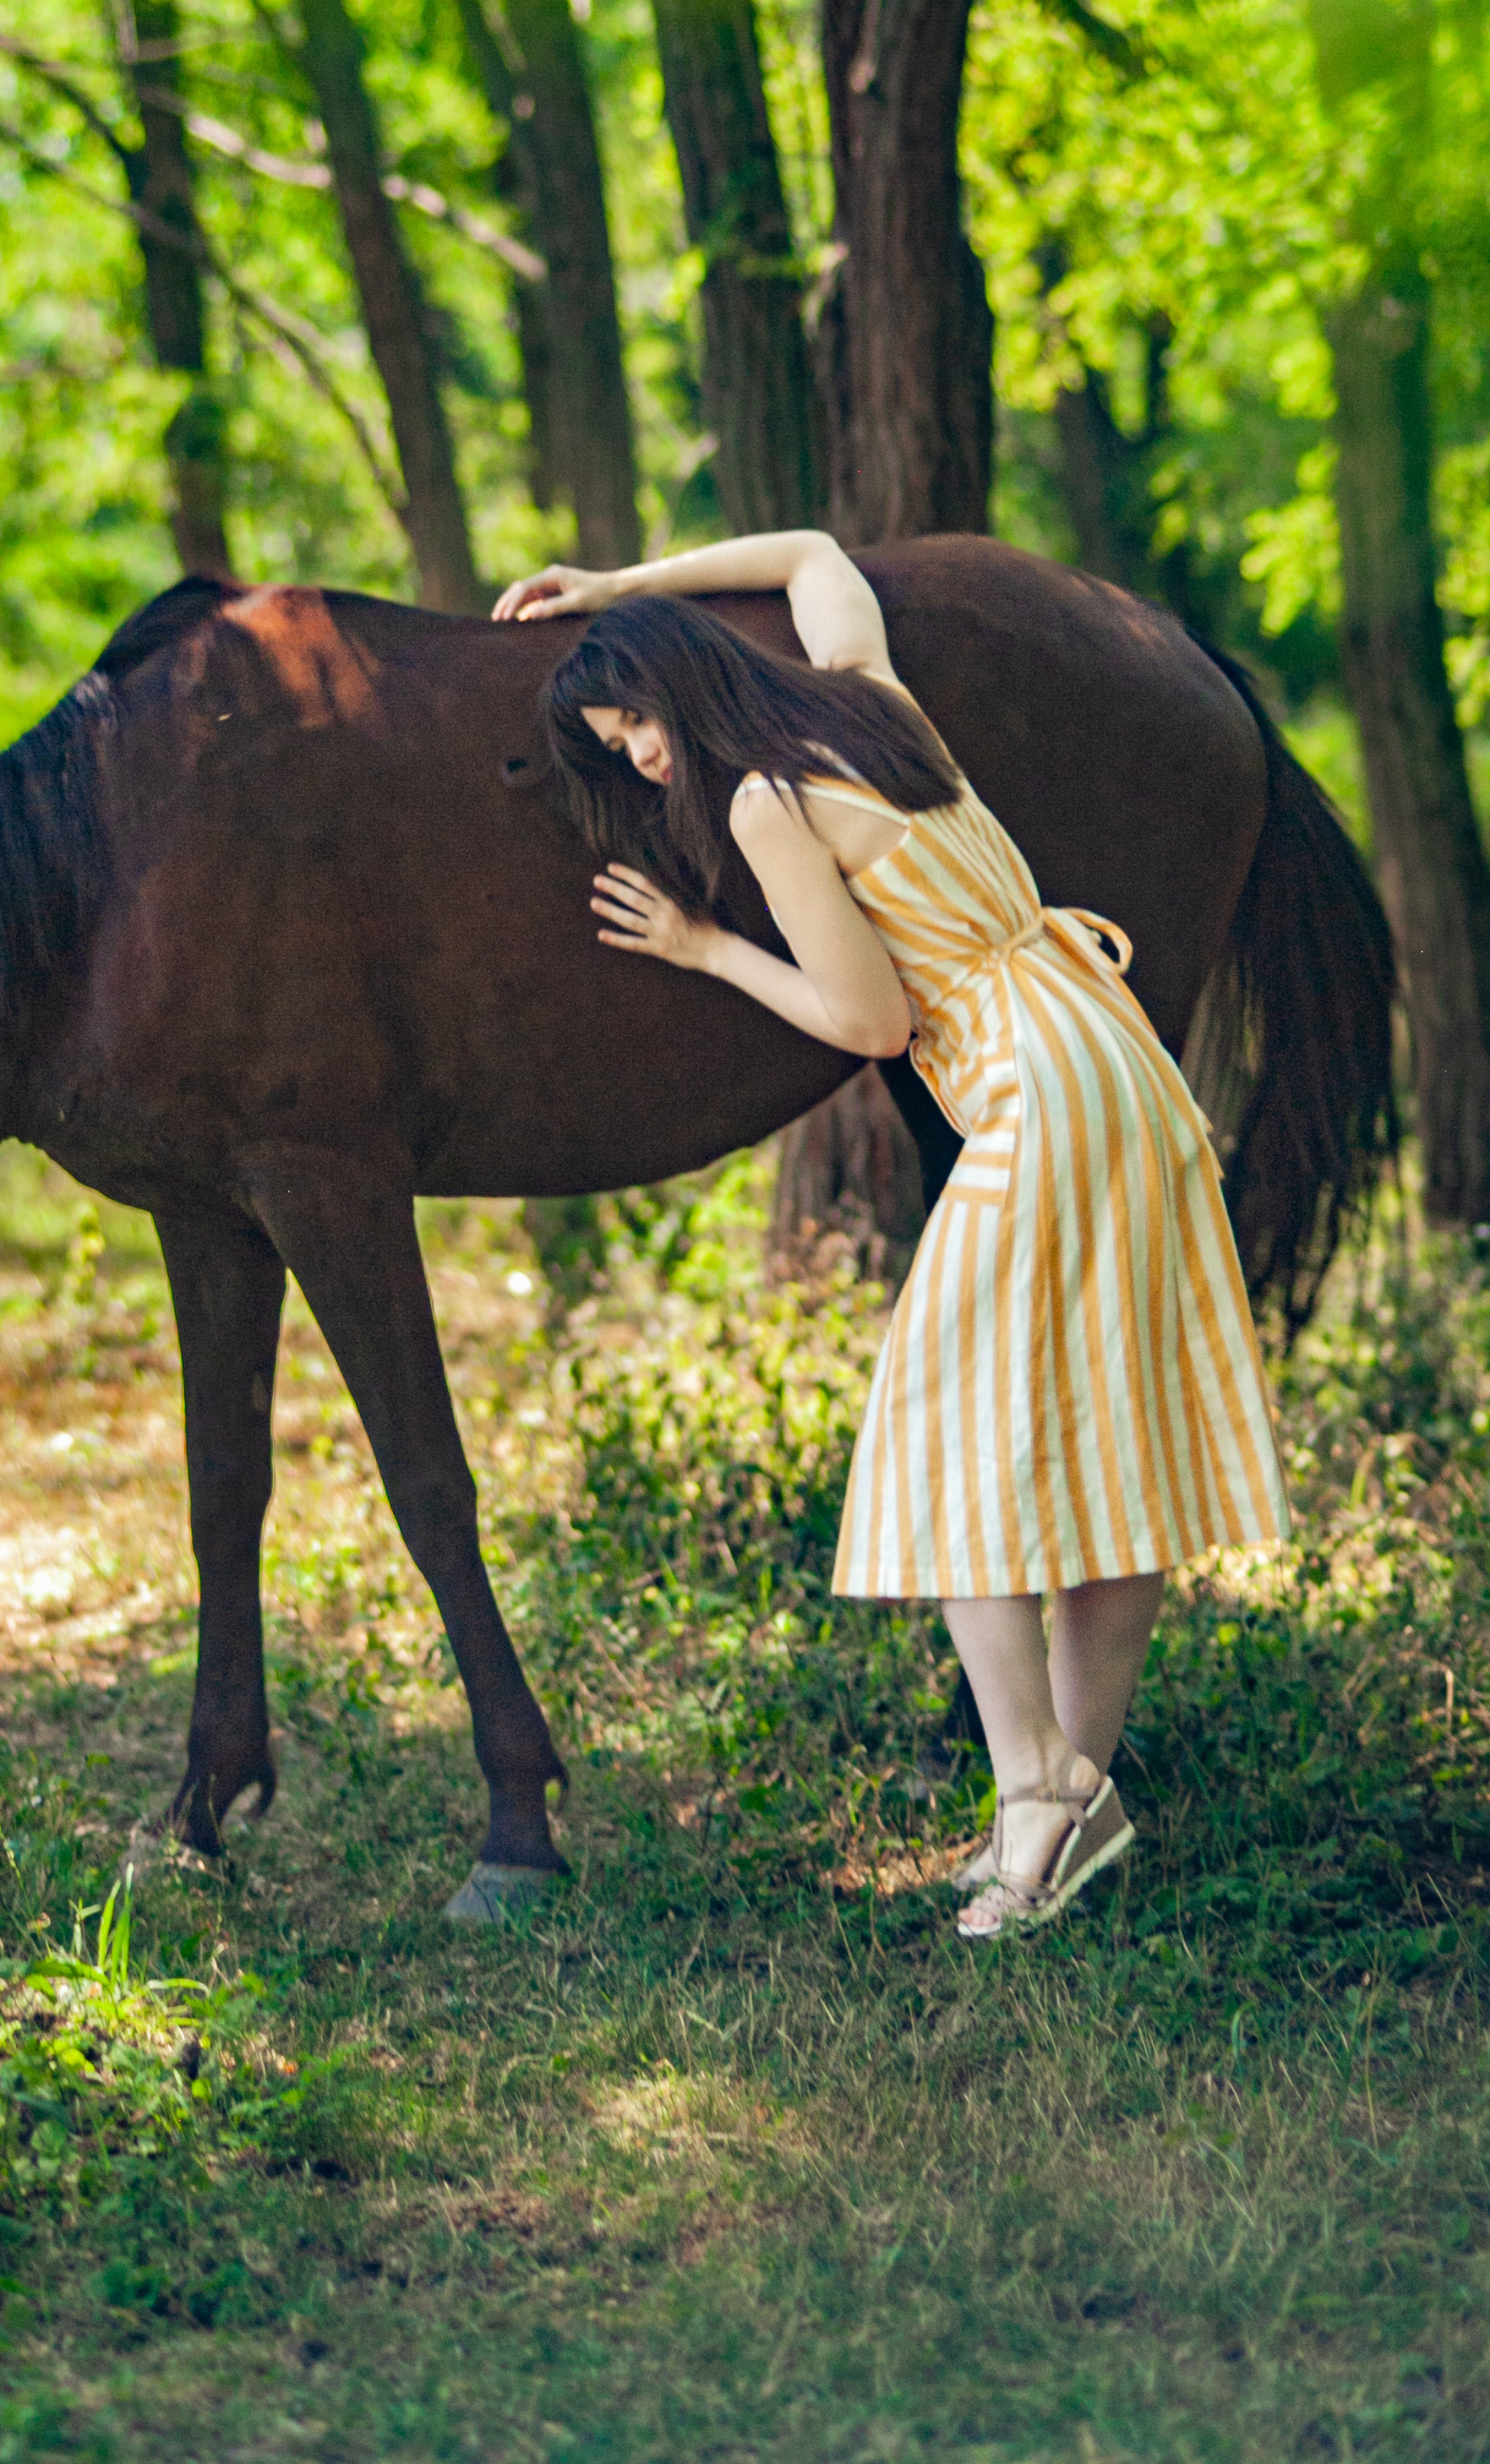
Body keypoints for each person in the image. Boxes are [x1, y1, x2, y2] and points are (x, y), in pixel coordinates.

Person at [493, 528, 1289, 1940]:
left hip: (1033, 1097)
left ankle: (1037, 1783)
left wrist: (707, 949)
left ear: (680, 693)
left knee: (942, 1435)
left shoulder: (766, 807)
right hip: (1120, 1064)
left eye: (636, 734)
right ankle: (1075, 1800)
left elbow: (872, 1023)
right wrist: (615, 589)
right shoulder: (876, 698)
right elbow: (811, 551)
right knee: (1117, 1429)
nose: (646, 766)